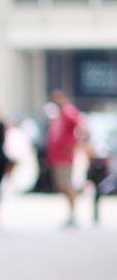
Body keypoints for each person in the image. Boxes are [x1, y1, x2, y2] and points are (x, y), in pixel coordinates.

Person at [46, 90, 82, 227]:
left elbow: (81, 128)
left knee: (67, 185)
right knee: (61, 185)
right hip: (57, 157)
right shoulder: (59, 115)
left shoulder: (69, 112)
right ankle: (71, 212)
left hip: (65, 157)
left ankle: (73, 214)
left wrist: (73, 145)